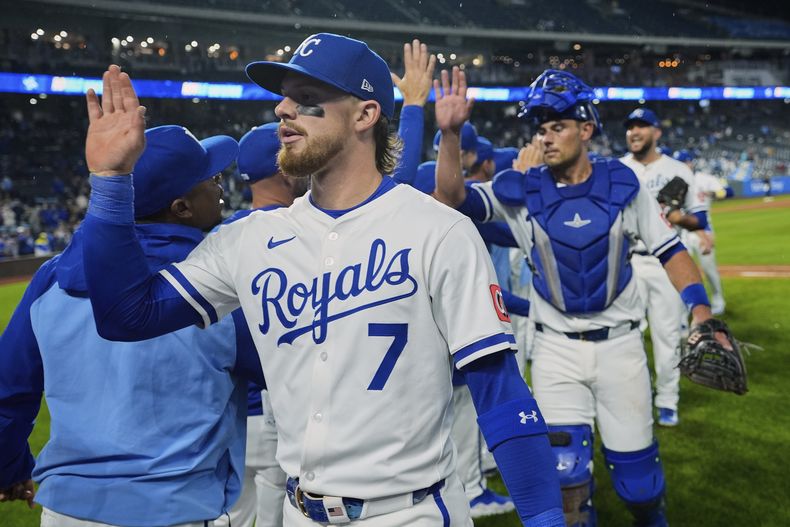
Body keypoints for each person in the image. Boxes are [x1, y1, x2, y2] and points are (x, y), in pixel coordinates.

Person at [79, 34, 564, 527]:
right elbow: (127, 316)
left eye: (307, 100)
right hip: (299, 511)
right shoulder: (249, 238)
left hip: (409, 512)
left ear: (364, 115)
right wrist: (112, 180)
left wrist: (545, 519)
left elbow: (500, 393)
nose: (283, 110)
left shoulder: (440, 231)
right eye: (285, 98)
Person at [433, 67, 725, 527]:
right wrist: (449, 134)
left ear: (586, 129)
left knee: (640, 488)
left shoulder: (622, 187)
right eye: (541, 128)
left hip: (622, 348)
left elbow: (670, 251)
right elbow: (451, 199)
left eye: (558, 126)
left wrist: (701, 311)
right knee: (565, 485)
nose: (546, 138)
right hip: (556, 353)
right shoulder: (521, 191)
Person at [0, 125, 265, 526]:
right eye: (208, 179)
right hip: (178, 510)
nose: (219, 185)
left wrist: (11, 469)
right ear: (181, 208)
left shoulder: (51, 277)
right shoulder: (222, 282)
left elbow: (9, 397)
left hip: (67, 511)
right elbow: (286, 377)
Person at [213, 122, 298, 527]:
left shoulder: (219, 235)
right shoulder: (301, 232)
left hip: (225, 411)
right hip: (276, 406)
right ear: (285, 169)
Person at [619, 108, 707, 427]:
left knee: (667, 336)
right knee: (623, 337)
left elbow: (701, 219)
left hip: (664, 264)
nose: (634, 132)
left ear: (657, 132)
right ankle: (632, 399)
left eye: (641, 126)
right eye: (630, 127)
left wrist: (679, 218)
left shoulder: (678, 169)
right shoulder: (616, 169)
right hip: (626, 263)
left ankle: (667, 400)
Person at [674, 149, 727, 315]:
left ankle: (718, 299)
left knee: (709, 268)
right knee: (682, 271)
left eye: (684, 162)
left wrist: (712, 193)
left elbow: (726, 191)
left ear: (690, 162)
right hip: (681, 234)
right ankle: (686, 305)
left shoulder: (703, 179)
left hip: (703, 229)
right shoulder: (674, 181)